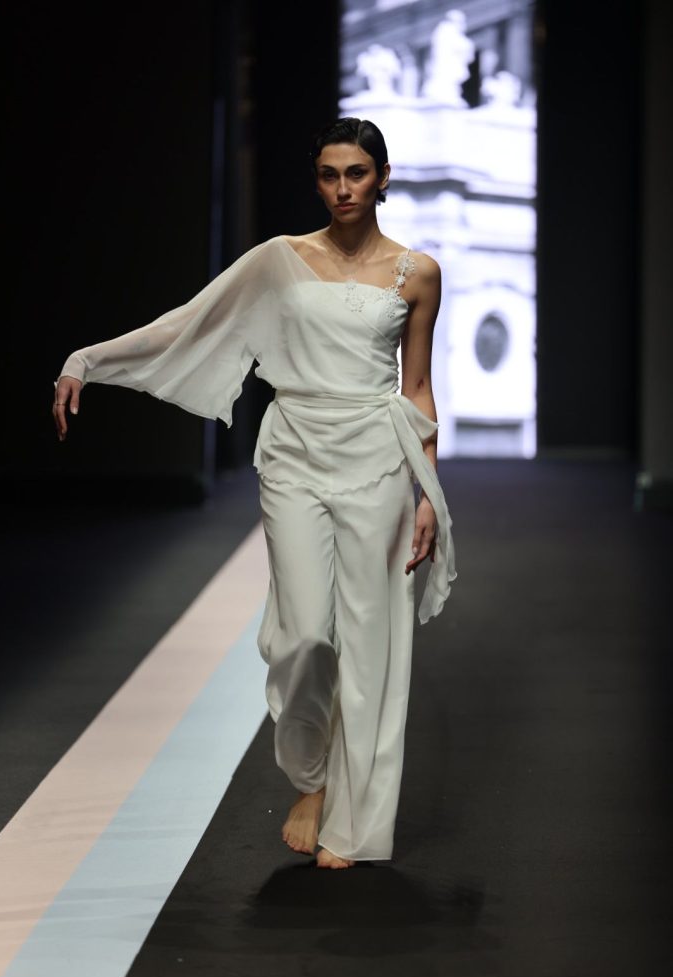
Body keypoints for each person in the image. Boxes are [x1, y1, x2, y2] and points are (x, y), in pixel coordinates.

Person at [52, 117, 456, 870]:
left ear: (382, 178)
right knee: (305, 636)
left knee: (370, 638)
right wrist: (88, 360)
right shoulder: (280, 259)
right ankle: (311, 775)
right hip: (295, 450)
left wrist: (429, 491)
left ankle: (351, 821)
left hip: (378, 457)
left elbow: (418, 386)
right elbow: (190, 322)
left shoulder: (418, 274)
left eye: (356, 173)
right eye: (329, 174)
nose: (342, 188)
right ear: (317, 181)